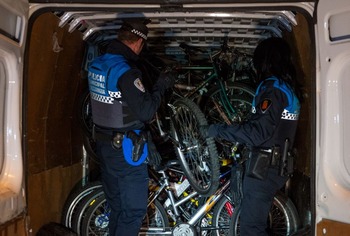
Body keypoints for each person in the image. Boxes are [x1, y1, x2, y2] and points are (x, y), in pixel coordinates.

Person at [201, 37, 302, 235]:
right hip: (274, 166)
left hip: (264, 168)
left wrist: (217, 130)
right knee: (256, 225)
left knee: (251, 230)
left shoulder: (272, 89)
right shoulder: (284, 87)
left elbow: (257, 133)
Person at [87, 19, 175, 236]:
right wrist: (160, 87)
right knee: (133, 212)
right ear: (138, 43)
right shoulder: (126, 71)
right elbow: (146, 112)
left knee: (117, 208)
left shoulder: (98, 64)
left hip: (104, 146)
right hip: (127, 151)